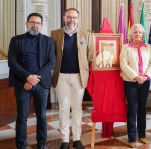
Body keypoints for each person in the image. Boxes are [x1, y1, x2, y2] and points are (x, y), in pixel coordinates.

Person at [8, 13, 56, 149]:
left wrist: (34, 79)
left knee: (42, 116)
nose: (35, 25)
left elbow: (51, 62)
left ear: (41, 25)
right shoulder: (16, 40)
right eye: (32, 22)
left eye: (38, 23)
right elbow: (12, 62)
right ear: (27, 23)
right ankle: (21, 145)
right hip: (22, 84)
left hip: (41, 84)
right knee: (22, 117)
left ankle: (41, 144)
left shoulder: (48, 41)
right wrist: (27, 77)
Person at [51, 8, 94, 149]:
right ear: (64, 18)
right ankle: (64, 139)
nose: (72, 20)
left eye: (75, 17)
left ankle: (76, 138)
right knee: (63, 108)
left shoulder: (86, 35)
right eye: (69, 17)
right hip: (61, 75)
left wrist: (82, 69)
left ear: (78, 19)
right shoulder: (55, 34)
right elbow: (52, 54)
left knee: (77, 108)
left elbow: (90, 56)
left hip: (78, 77)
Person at [120, 24, 151, 148]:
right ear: (131, 35)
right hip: (131, 82)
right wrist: (136, 76)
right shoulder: (126, 48)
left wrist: (146, 76)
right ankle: (132, 137)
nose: (138, 34)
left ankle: (142, 135)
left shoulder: (148, 47)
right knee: (132, 109)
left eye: (140, 32)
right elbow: (123, 64)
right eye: (135, 32)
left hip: (145, 82)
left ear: (143, 35)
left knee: (142, 109)